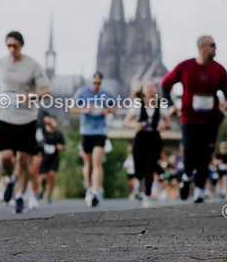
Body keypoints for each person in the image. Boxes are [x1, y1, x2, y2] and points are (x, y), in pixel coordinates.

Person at [0, 31, 52, 214]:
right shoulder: (0, 64)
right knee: (4, 157)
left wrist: (29, 96)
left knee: (23, 160)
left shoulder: (32, 65)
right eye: (9, 46)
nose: (12, 49)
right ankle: (10, 178)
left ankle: (20, 197)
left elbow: (47, 91)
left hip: (26, 118)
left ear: (21, 45)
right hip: (5, 116)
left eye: (15, 45)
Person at [161, 35, 227, 203]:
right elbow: (165, 85)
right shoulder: (186, 66)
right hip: (189, 118)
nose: (216, 48)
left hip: (211, 119)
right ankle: (186, 176)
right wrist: (170, 105)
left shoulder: (219, 70)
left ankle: (199, 190)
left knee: (205, 154)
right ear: (202, 47)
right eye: (212, 45)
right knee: (190, 150)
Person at [70, 72, 116, 207]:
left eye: (99, 83)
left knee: (97, 161)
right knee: (88, 163)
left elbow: (114, 107)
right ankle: (89, 188)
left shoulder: (107, 94)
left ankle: (96, 191)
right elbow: (72, 108)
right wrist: (84, 110)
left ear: (101, 82)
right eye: (94, 83)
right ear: (91, 82)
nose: (96, 85)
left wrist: (107, 111)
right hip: (86, 131)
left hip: (100, 131)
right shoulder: (82, 92)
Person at [124, 80, 171, 207]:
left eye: (152, 87)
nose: (150, 89)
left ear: (156, 89)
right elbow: (127, 121)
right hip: (140, 137)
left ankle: (147, 195)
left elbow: (169, 123)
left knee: (149, 167)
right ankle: (138, 182)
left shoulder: (161, 104)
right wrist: (135, 125)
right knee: (139, 166)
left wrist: (163, 126)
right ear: (143, 89)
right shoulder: (137, 104)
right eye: (147, 87)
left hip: (154, 138)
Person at [38, 114, 65, 203]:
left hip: (54, 157)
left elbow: (63, 145)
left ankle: (50, 194)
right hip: (44, 157)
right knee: (43, 177)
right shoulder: (43, 132)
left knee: (52, 176)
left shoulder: (58, 133)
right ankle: (43, 188)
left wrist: (59, 147)